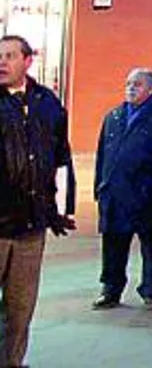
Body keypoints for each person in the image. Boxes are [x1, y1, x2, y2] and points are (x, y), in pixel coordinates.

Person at [0, 36, 72, 365]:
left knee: (20, 308)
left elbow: (59, 158)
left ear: (28, 61)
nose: (2, 62)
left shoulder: (47, 103)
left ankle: (13, 362)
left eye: (10, 56)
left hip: (31, 226)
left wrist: (56, 210)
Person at [92, 68, 152, 311]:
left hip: (149, 192)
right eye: (128, 83)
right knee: (113, 243)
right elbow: (103, 154)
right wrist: (99, 187)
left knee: (150, 243)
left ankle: (150, 288)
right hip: (115, 191)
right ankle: (111, 289)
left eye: (138, 84)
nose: (131, 88)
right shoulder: (113, 116)